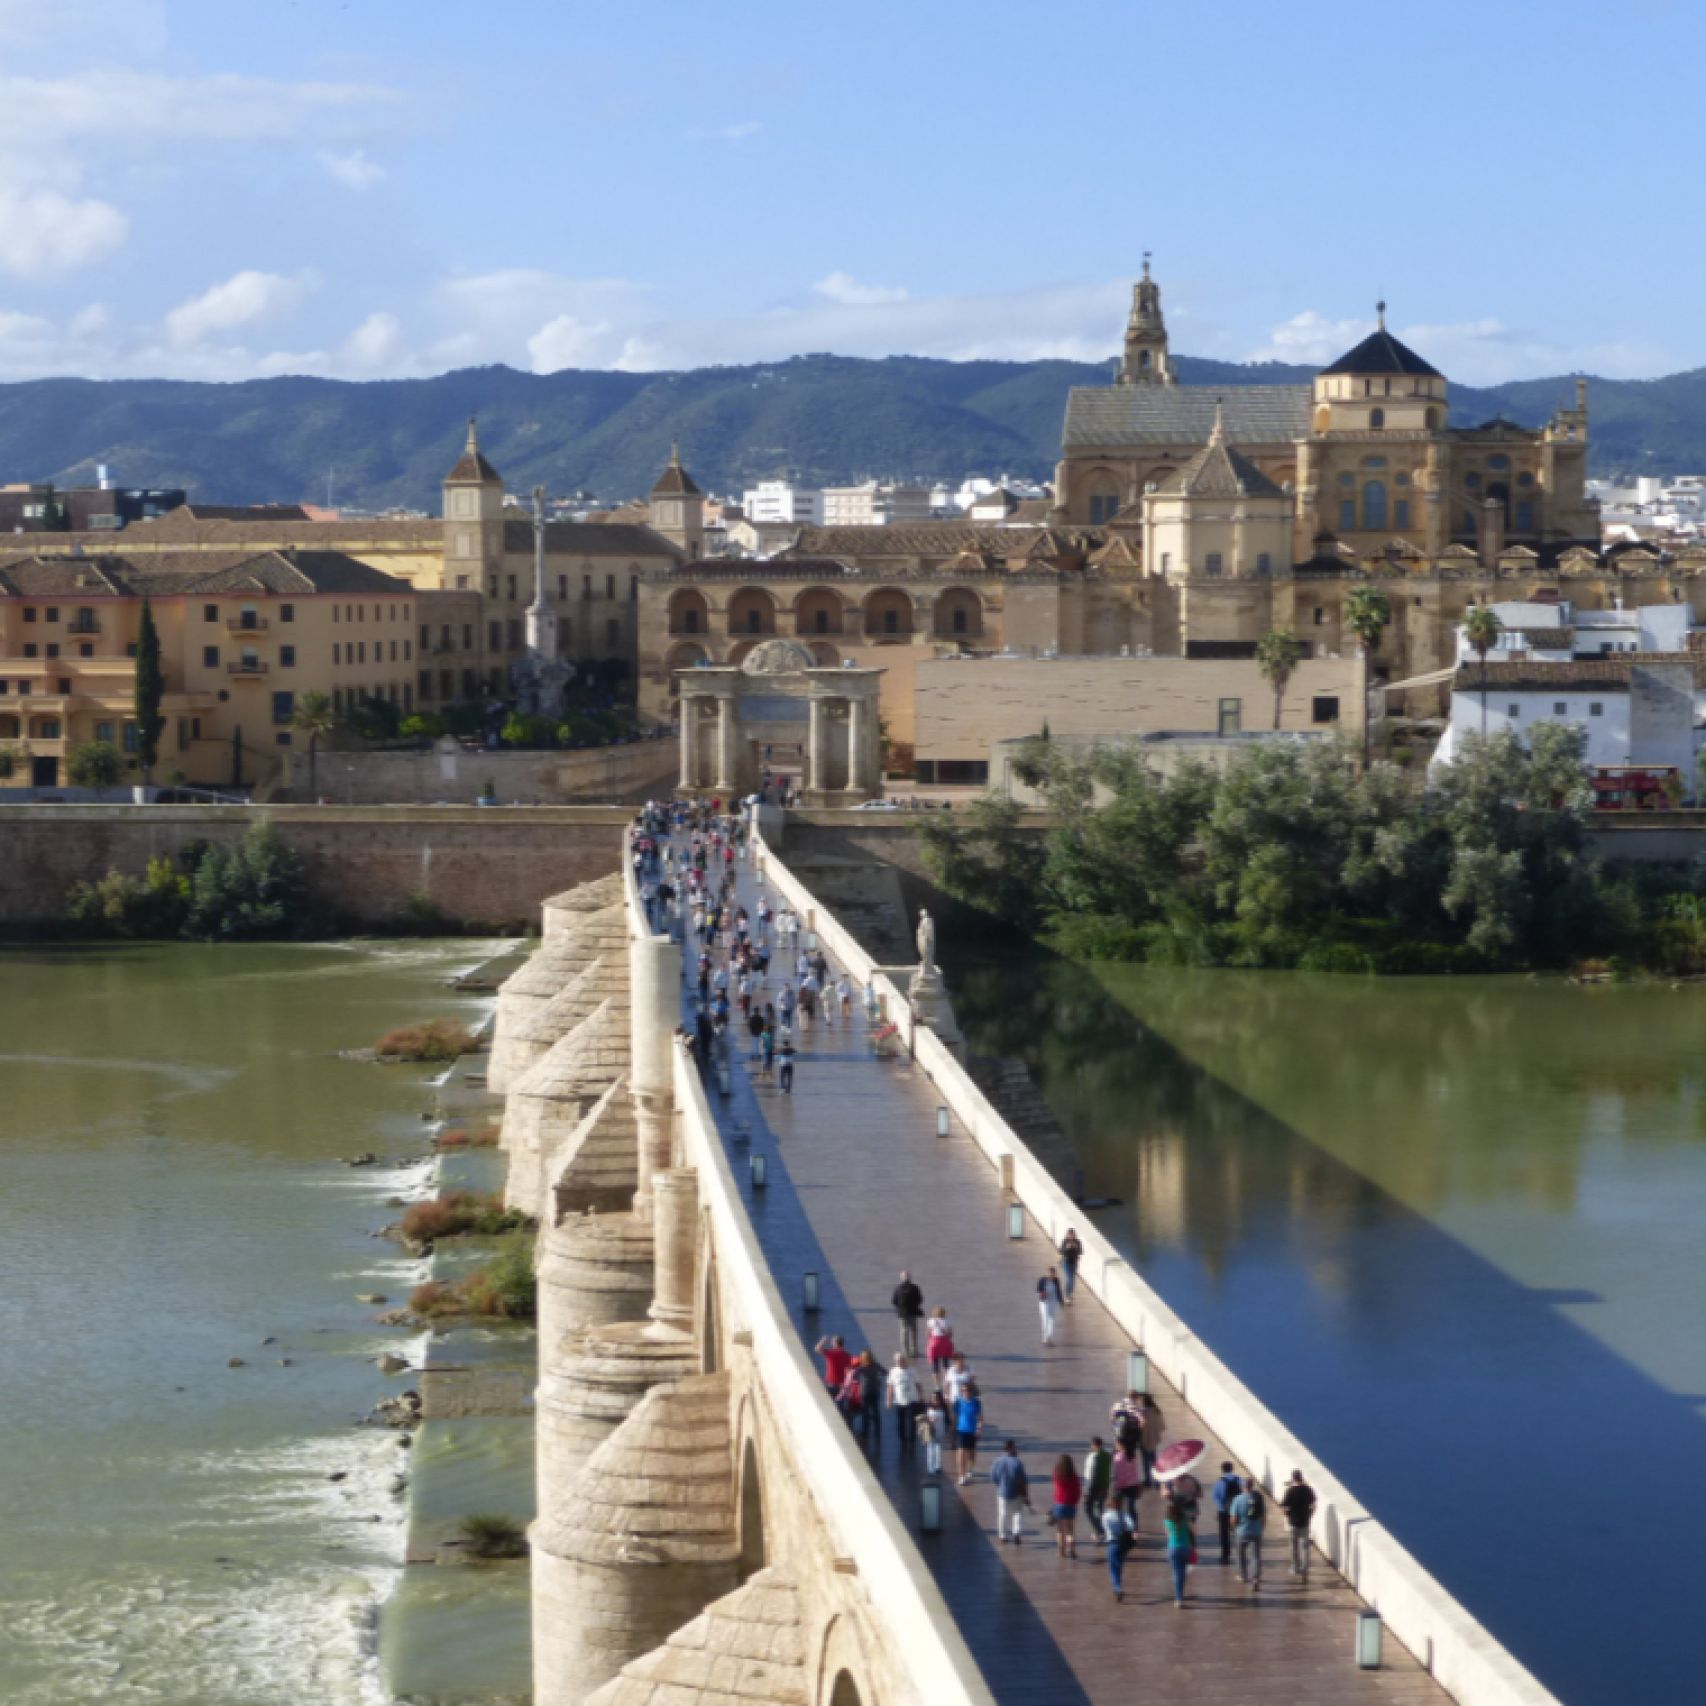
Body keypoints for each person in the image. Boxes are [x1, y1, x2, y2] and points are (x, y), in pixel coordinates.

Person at [990, 1440, 1031, 1544]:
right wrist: (1026, 1496)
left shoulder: (997, 1461)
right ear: (1011, 1448)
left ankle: (1002, 1535)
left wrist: (1000, 1485)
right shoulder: (1017, 1462)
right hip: (1016, 1492)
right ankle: (1016, 1532)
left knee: (1002, 1514)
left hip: (1002, 1492)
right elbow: (1023, 1481)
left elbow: (993, 1477)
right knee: (1017, 1513)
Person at [1280, 1469, 1317, 1582]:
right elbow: (1313, 1505)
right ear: (1301, 1477)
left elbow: (1284, 1507)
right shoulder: (1308, 1489)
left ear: (1293, 1478)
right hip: (1305, 1522)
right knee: (1305, 1547)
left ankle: (1295, 1567)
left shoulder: (1290, 1491)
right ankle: (1305, 1569)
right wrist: (1310, 1515)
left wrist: (1287, 1516)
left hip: (1293, 1522)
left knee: (1293, 1546)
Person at [1230, 1477, 1266, 1590]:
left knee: (1241, 1554)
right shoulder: (1259, 1498)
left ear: (1243, 1486)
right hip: (1256, 1530)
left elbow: (1234, 1518)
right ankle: (1255, 1578)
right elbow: (1263, 1517)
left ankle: (1243, 1575)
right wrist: (1261, 1528)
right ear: (1252, 1486)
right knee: (1256, 1556)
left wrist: (1234, 1527)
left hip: (1242, 1531)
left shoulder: (1237, 1499)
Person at [885, 1353, 923, 1450]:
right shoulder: (893, 1371)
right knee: (900, 1422)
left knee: (911, 1421)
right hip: (899, 1401)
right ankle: (903, 1439)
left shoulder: (912, 1370)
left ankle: (911, 1439)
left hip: (911, 1400)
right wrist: (889, 1400)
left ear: (905, 1360)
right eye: (898, 1361)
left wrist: (921, 1396)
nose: (900, 1362)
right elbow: (890, 1387)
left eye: (901, 1360)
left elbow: (918, 1384)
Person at [1164, 1497, 1194, 1606]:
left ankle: (1178, 1598)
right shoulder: (1185, 1519)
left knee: (1176, 1573)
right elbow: (1193, 1530)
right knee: (1182, 1572)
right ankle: (1180, 1594)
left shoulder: (1167, 1521)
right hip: (1185, 1547)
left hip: (1173, 1548)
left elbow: (1168, 1535)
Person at [1102, 1504, 1135, 1602]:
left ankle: (1118, 1588)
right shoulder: (1124, 1515)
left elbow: (1105, 1528)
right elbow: (1131, 1525)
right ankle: (1117, 1586)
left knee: (1113, 1568)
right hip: (1123, 1544)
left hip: (1112, 1543)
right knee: (1119, 1565)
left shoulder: (1105, 1516)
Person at [1212, 1460, 1242, 1567]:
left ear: (1222, 1470)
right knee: (1238, 1532)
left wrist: (1220, 1508)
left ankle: (1225, 1555)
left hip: (1224, 1511)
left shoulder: (1219, 1482)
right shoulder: (1239, 1480)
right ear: (1232, 1469)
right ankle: (1240, 1552)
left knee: (1224, 1533)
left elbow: (1216, 1497)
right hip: (1237, 1510)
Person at [1050, 1454, 1081, 1558]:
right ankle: (1072, 1549)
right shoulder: (1074, 1476)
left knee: (1060, 1530)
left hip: (1059, 1503)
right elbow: (1077, 1490)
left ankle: (1061, 1551)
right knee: (1070, 1529)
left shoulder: (1057, 1475)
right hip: (1071, 1503)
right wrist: (1076, 1500)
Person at [953, 1378, 983, 1483]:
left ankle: (970, 1469)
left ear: (971, 1391)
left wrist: (979, 1428)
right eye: (963, 1390)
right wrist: (953, 1428)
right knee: (961, 1452)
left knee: (971, 1452)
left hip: (972, 1430)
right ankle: (961, 1475)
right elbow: (955, 1415)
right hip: (961, 1430)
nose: (965, 1392)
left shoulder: (976, 1402)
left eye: (967, 1390)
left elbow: (980, 1417)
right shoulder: (958, 1402)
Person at [1082, 1436, 1113, 1538]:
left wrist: (1088, 1490)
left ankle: (1099, 1529)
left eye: (1092, 1445)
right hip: (1104, 1486)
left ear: (1095, 1445)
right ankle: (1101, 1529)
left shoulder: (1094, 1457)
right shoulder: (1107, 1455)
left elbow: (1092, 1475)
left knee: (1087, 1509)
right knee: (1100, 1508)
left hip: (1094, 1487)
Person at [892, 1270, 925, 1358]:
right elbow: (920, 1300)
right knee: (913, 1332)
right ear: (910, 1277)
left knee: (903, 1332)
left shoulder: (898, 1288)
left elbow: (894, 1301)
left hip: (902, 1314)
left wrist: (900, 1307)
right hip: (912, 1313)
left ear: (901, 1278)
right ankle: (914, 1351)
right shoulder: (915, 1288)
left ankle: (905, 1351)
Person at [1110, 1439, 1142, 1528]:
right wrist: (1137, 1483)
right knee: (1131, 1508)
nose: (1115, 1446)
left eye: (1117, 1444)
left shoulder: (1117, 1457)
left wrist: (1115, 1485)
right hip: (1132, 1485)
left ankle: (1121, 1526)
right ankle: (1135, 1528)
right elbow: (1136, 1472)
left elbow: (1117, 1473)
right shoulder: (1132, 1456)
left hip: (1120, 1486)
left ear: (1122, 1445)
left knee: (1118, 1508)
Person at [1136, 1393, 1166, 1486]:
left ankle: (1147, 1480)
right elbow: (1162, 1427)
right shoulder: (1156, 1411)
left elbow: (1139, 1426)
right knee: (1153, 1460)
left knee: (1145, 1460)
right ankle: (1156, 1480)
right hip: (1153, 1439)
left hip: (1143, 1439)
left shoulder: (1141, 1413)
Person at [814, 1334, 853, 1402]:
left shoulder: (830, 1353)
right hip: (842, 1384)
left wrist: (823, 1340)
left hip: (831, 1383)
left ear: (835, 1343)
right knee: (840, 1405)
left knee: (828, 1402)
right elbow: (848, 1370)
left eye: (832, 1342)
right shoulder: (847, 1355)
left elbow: (817, 1348)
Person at [919, 1392, 948, 1476]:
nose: (935, 1400)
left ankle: (937, 1467)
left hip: (940, 1432)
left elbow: (946, 1420)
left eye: (937, 1399)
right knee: (930, 1450)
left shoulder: (943, 1409)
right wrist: (929, 1420)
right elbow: (924, 1420)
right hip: (931, 1432)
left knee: (938, 1450)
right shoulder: (929, 1409)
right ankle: (930, 1468)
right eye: (933, 1398)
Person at [925, 1305, 955, 1384]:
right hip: (945, 1342)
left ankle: (937, 1384)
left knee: (935, 1364)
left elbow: (928, 1333)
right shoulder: (947, 1321)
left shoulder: (931, 1321)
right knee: (946, 1364)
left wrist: (929, 1342)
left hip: (934, 1342)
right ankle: (947, 1382)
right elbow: (950, 1334)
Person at [1037, 1268, 1064, 1345]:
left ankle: (1049, 1337)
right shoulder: (1042, 1280)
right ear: (1047, 1273)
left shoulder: (1056, 1280)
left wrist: (1061, 1301)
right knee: (1045, 1319)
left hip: (1053, 1302)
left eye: (1053, 1274)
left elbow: (1059, 1291)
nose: (1052, 1275)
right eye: (1050, 1274)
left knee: (1051, 1319)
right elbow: (1038, 1289)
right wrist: (1044, 1292)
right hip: (1044, 1302)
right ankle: (1044, 1338)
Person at [1058, 1228, 1084, 1303]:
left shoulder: (1078, 1242)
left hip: (1074, 1262)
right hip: (1066, 1262)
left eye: (1072, 1235)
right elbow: (1060, 1251)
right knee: (1069, 1279)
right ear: (1067, 1235)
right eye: (1070, 1235)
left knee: (1073, 1280)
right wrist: (1067, 1248)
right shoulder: (1065, 1241)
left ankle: (1070, 1293)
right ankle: (1067, 1296)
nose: (1071, 1236)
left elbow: (1081, 1251)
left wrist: (1076, 1247)